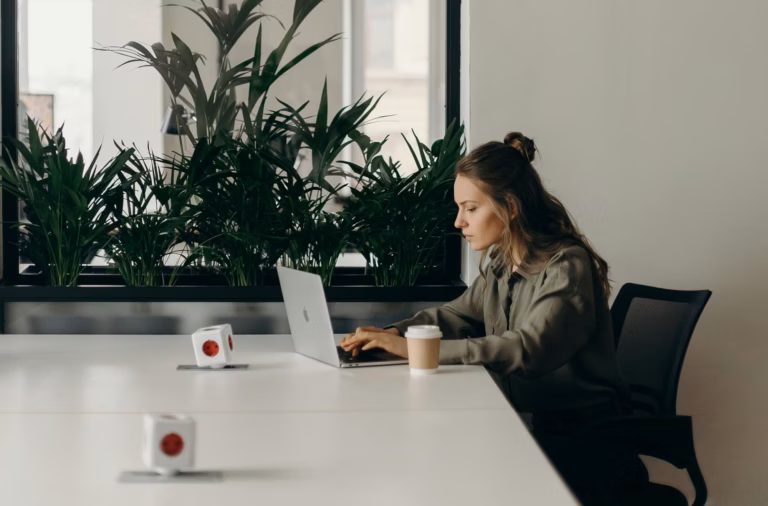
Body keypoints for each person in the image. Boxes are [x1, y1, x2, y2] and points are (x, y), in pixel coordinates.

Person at [340, 132, 647, 504]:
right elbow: (455, 314)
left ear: (510, 207)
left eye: (470, 208)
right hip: (535, 427)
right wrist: (391, 334)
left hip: (588, 446)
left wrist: (415, 350)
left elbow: (528, 350)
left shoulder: (566, 265)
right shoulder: (504, 260)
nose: (459, 222)